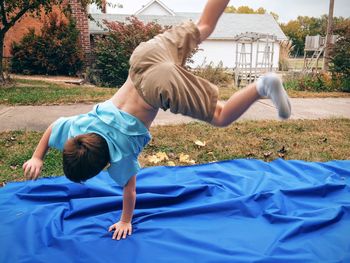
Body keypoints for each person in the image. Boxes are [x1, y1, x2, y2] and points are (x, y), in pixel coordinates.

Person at [22, 0, 291, 241]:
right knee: (204, 26)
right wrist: (37, 157)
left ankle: (262, 86)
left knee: (220, 116)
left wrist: (125, 220)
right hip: (143, 57)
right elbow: (51, 128)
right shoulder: (78, 128)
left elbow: (129, 192)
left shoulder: (119, 159)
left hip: (157, 85)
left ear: (102, 165)